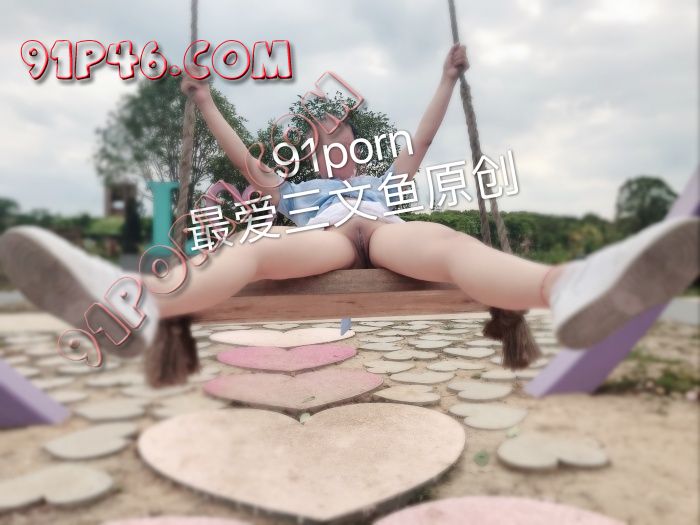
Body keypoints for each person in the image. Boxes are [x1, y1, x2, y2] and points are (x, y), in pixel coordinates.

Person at [0, 45, 697, 385]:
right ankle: (138, 303)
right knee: (254, 249)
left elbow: (423, 138)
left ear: (356, 144)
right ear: (311, 151)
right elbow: (245, 162)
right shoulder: (299, 189)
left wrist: (447, 80)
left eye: (341, 135)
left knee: (446, 243)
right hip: (325, 238)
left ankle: (569, 284)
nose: (332, 143)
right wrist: (206, 101)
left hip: (388, 236)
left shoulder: (382, 180)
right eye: (323, 138)